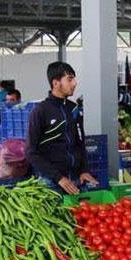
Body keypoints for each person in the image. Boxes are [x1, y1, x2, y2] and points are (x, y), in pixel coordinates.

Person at [26, 61, 97, 195]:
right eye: (69, 79)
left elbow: (80, 143)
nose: (74, 83)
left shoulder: (74, 109)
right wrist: (59, 178)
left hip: (76, 180)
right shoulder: (40, 111)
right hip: (51, 183)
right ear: (56, 83)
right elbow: (31, 152)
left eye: (74, 79)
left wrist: (84, 170)